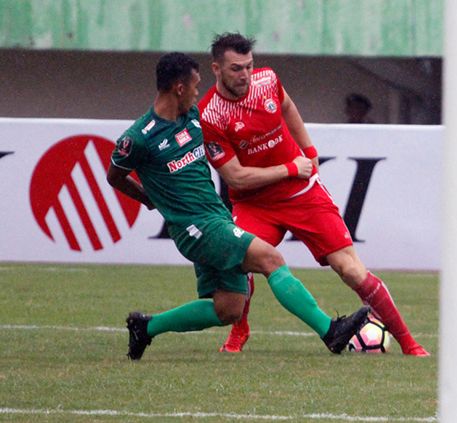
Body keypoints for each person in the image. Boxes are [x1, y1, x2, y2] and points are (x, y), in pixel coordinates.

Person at [107, 52, 369, 361]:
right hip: (196, 227)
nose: (198, 91)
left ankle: (146, 327)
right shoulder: (139, 138)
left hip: (216, 215)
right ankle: (330, 331)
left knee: (228, 308)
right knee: (270, 258)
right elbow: (115, 175)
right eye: (194, 85)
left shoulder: (193, 118)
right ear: (179, 88)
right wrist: (147, 199)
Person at [198, 32, 429, 356]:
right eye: (236, 68)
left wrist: (308, 149)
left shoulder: (268, 81)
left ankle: (409, 343)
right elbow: (236, 176)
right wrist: (291, 168)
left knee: (350, 269)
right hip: (255, 202)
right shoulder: (209, 114)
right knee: (243, 261)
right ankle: (239, 332)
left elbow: (288, 107)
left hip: (302, 193)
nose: (246, 75)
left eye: (249, 66)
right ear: (216, 69)